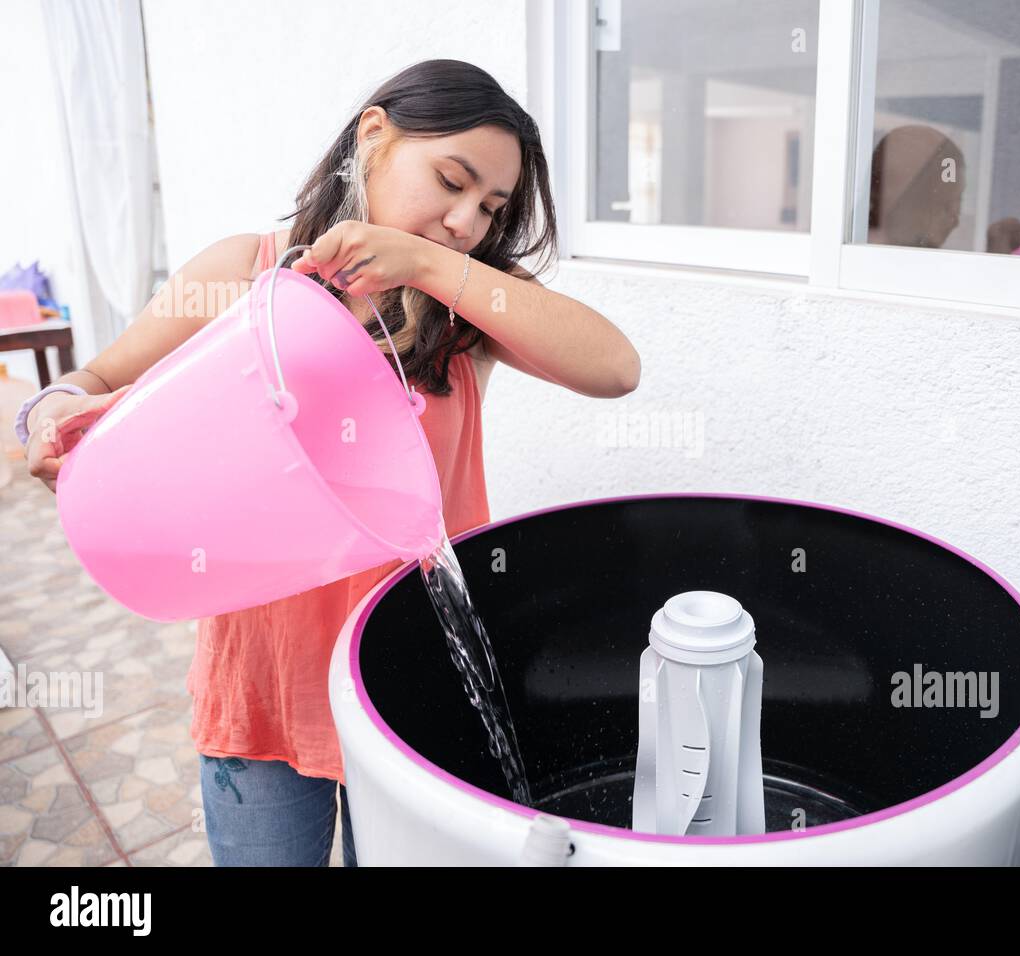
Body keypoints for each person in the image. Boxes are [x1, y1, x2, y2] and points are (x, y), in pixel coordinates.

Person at [17, 59, 641, 866]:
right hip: (267, 683)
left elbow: (616, 368)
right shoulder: (242, 273)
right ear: (374, 135)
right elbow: (92, 379)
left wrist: (425, 266)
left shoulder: (465, 300)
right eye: (451, 180)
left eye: (489, 207)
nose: (464, 221)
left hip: (409, 673)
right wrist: (52, 409)